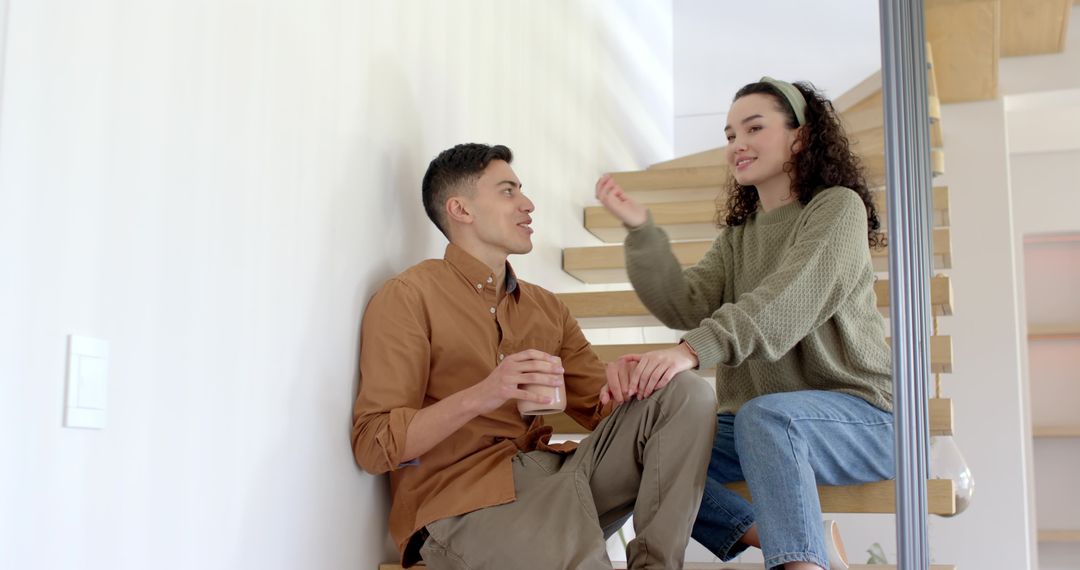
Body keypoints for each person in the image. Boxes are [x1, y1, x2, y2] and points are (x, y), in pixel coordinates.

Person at [351, 143, 716, 569]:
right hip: (462, 504)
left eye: (521, 190)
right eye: (508, 191)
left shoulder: (545, 307)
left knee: (685, 392)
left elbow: (600, 409)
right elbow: (373, 446)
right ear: (461, 209)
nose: (528, 204)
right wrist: (484, 394)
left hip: (557, 477)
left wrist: (622, 383)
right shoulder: (409, 296)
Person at [594, 77, 896, 570]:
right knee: (652, 448)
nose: (738, 145)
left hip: (863, 418)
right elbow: (685, 305)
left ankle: (801, 564)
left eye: (754, 128)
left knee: (767, 415)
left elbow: (786, 303)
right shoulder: (741, 237)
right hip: (765, 425)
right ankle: (794, 537)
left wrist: (687, 353)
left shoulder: (838, 208)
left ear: (800, 136)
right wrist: (641, 231)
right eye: (731, 135)